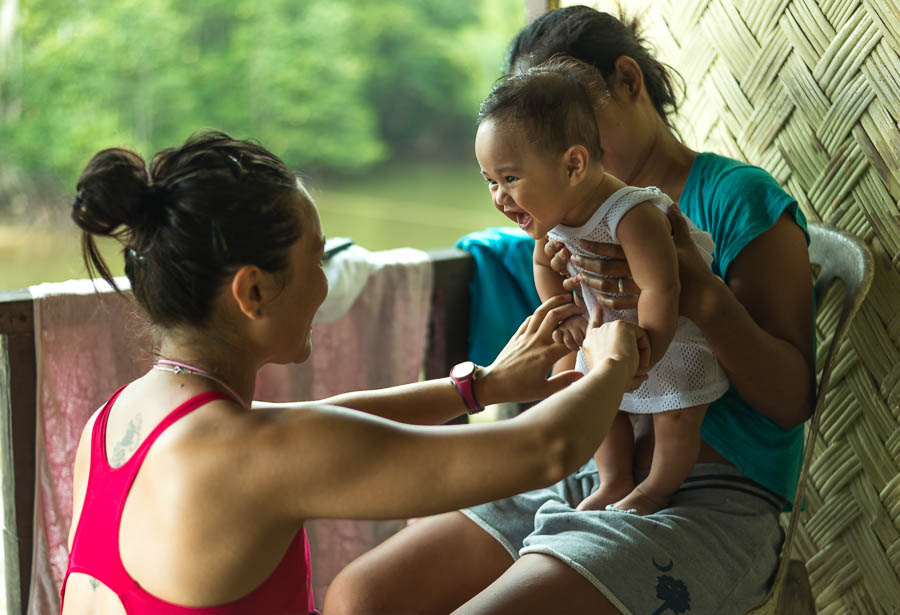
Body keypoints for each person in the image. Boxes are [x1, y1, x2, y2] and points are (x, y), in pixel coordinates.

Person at [324, 6, 815, 614]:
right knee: (360, 597)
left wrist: (703, 294)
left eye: (564, 109)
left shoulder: (736, 200)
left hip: (712, 496)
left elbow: (793, 401)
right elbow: (557, 293)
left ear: (628, 83)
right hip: (584, 469)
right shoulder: (563, 212)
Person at [60, 130, 649, 615]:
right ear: (253, 289)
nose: (322, 279)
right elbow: (545, 450)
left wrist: (483, 386)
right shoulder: (250, 458)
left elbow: (319, 420)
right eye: (316, 257)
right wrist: (614, 352)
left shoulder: (118, 420)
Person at [475, 56, 730, 517]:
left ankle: (657, 487)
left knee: (677, 416)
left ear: (574, 165)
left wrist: (650, 346)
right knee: (589, 396)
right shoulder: (553, 212)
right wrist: (562, 308)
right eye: (490, 181)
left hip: (668, 334)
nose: (499, 197)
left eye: (510, 178)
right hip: (606, 331)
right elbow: (543, 261)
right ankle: (612, 478)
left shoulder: (632, 214)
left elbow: (661, 289)